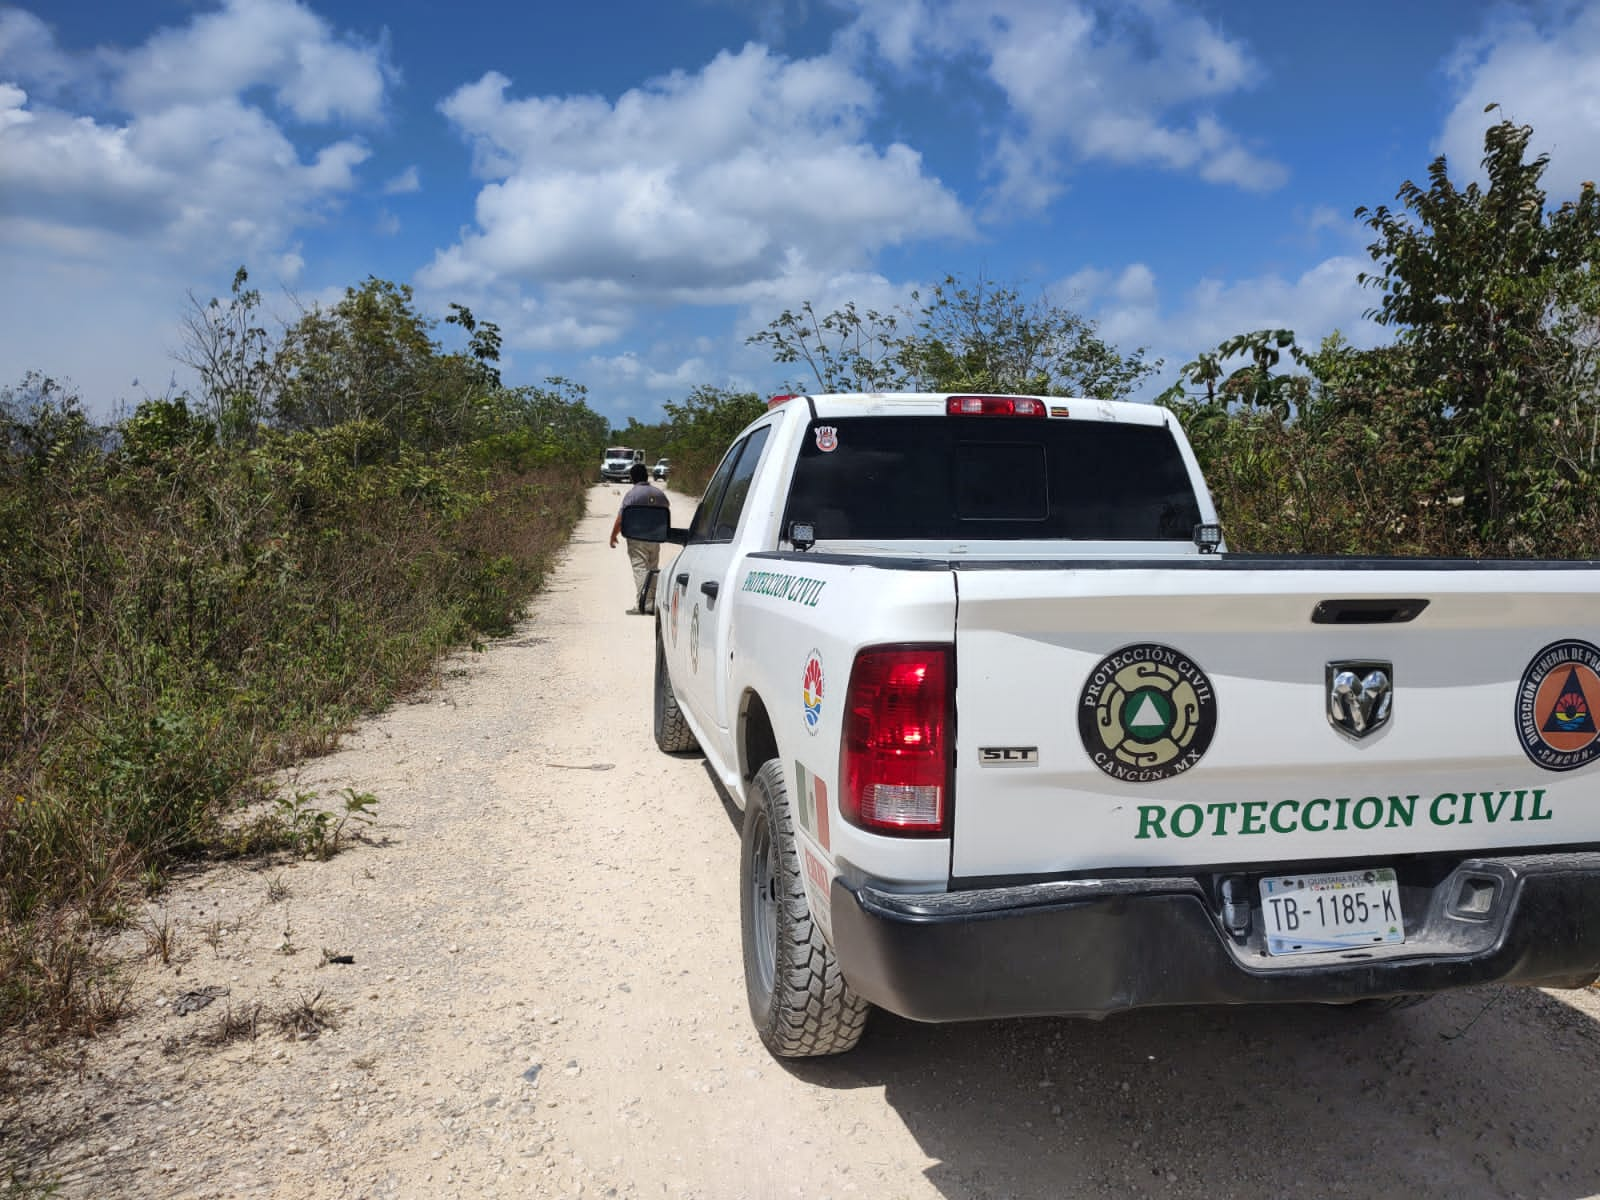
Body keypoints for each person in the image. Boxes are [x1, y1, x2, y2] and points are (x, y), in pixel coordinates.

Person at [610, 462, 669, 614]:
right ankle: (653, 602)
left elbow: (621, 518)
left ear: (632, 477)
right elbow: (666, 509)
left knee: (640, 569)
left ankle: (644, 605)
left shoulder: (632, 494)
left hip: (637, 538)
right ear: (646, 476)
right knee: (653, 568)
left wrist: (613, 535)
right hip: (655, 537)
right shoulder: (658, 493)